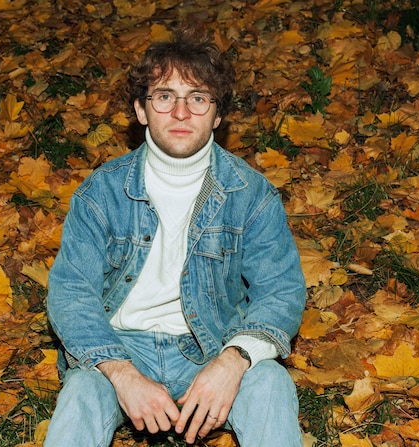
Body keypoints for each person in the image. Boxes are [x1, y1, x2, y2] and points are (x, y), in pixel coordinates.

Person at [44, 27, 306, 447]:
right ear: (142, 110)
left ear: (217, 115)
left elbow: (282, 291)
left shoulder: (251, 193)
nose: (181, 113)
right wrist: (121, 372)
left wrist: (233, 362)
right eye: (165, 96)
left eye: (198, 98)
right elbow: (71, 293)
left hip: (214, 344)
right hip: (120, 348)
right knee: (81, 394)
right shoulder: (101, 193)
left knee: (270, 382)